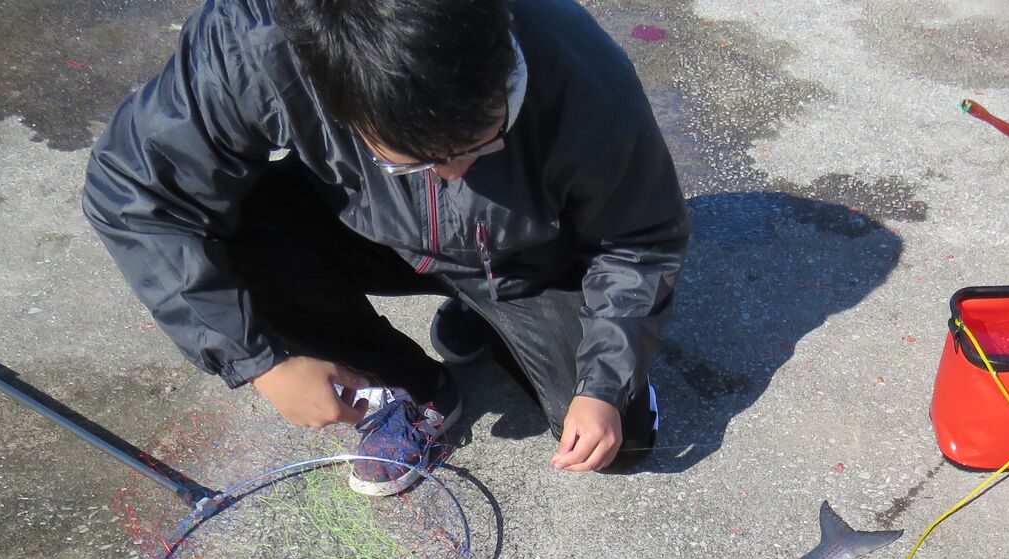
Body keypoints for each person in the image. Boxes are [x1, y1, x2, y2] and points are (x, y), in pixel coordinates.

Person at [83, 0, 689, 495]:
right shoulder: (254, 41)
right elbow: (137, 192)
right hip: (365, 228)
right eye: (415, 162)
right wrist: (260, 363)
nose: (452, 174)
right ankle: (408, 389)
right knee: (229, 231)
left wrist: (603, 387)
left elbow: (640, 239)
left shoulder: (580, 70)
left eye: (484, 142)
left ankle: (489, 311)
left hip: (527, 260)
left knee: (618, 442)